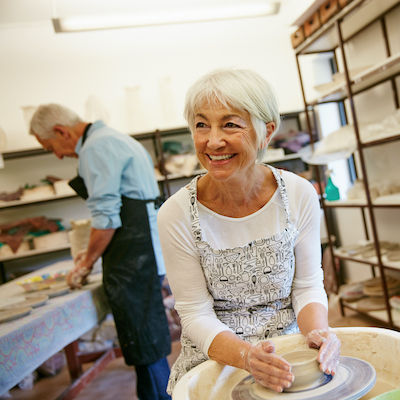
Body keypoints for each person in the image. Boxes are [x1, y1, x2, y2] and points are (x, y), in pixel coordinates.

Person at [157, 69, 341, 395]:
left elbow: (308, 286)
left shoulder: (298, 194)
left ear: (266, 131)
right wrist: (246, 356)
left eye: (230, 124)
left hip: (288, 353)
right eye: (202, 125)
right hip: (215, 358)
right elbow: (195, 312)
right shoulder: (176, 212)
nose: (213, 141)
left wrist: (319, 334)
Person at [29, 104, 171, 400]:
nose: (56, 155)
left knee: (144, 342)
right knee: (147, 339)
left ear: (60, 131)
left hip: (134, 254)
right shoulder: (115, 138)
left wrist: (85, 263)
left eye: (49, 146)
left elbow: (106, 219)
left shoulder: (96, 147)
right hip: (144, 249)